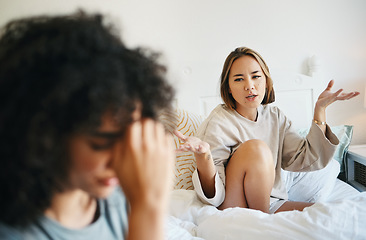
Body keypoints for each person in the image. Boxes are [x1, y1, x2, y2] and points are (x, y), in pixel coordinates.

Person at [0, 11, 175, 239]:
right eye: (100, 143)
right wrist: (148, 207)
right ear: (43, 136)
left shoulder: (117, 200)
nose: (124, 157)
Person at [175, 47, 360, 213]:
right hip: (233, 206)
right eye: (239, 79)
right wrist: (203, 156)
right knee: (257, 148)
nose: (250, 86)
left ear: (266, 81)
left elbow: (306, 159)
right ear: (229, 88)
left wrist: (319, 110)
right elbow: (213, 193)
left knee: (332, 214)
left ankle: (264, 219)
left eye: (256, 76)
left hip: (269, 204)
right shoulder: (219, 121)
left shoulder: (275, 117)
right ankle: (262, 224)